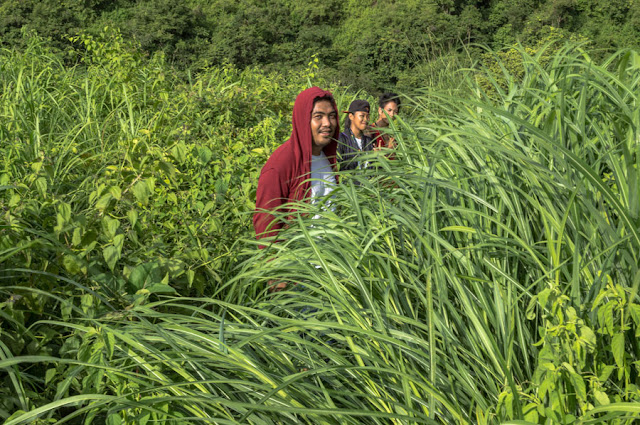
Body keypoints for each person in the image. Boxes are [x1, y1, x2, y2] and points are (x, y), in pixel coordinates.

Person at [253, 86, 340, 243]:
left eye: (331, 116)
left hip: (332, 261)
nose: (327, 123)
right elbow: (266, 228)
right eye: (318, 116)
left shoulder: (328, 158)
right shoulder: (281, 165)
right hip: (300, 263)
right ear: (303, 119)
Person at [337, 99, 375, 171]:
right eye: (362, 116)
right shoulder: (341, 140)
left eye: (367, 116)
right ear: (351, 116)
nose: (366, 119)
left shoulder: (368, 141)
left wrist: (377, 157)